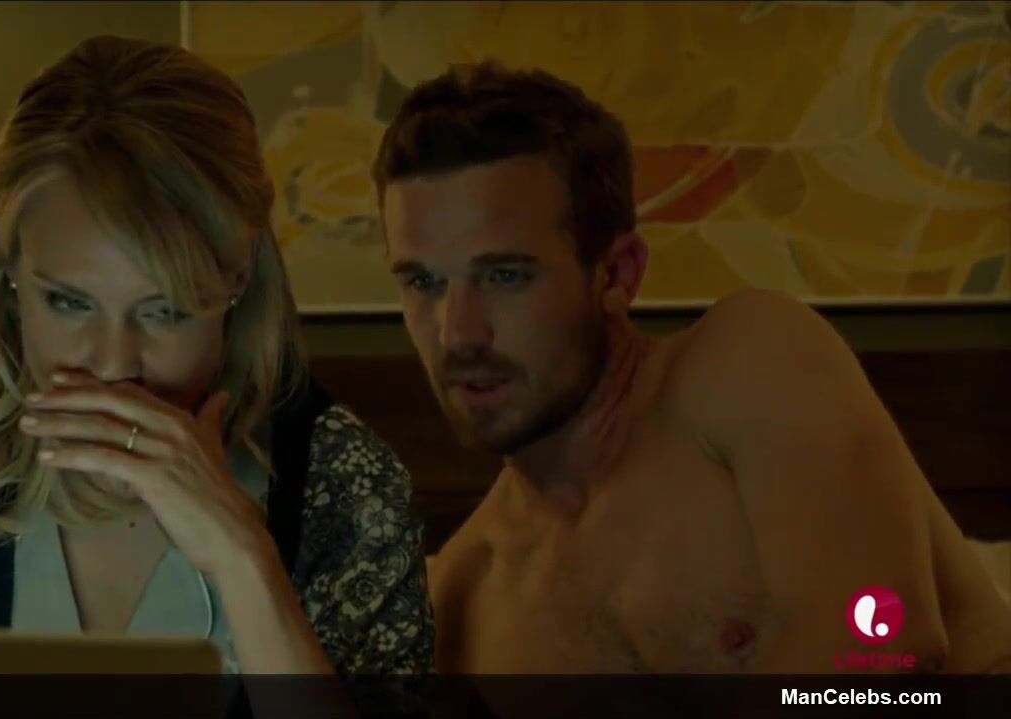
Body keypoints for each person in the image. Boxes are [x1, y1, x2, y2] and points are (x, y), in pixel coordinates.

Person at [0, 36, 433, 678]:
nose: (115, 364)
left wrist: (242, 556)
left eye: (165, 311)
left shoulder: (347, 491)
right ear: (7, 270)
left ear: (239, 273)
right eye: (69, 303)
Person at [373, 60, 1011, 674]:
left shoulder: (747, 366)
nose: (457, 333)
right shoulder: (466, 600)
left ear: (617, 274)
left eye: (505, 276)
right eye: (423, 282)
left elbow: (882, 656)